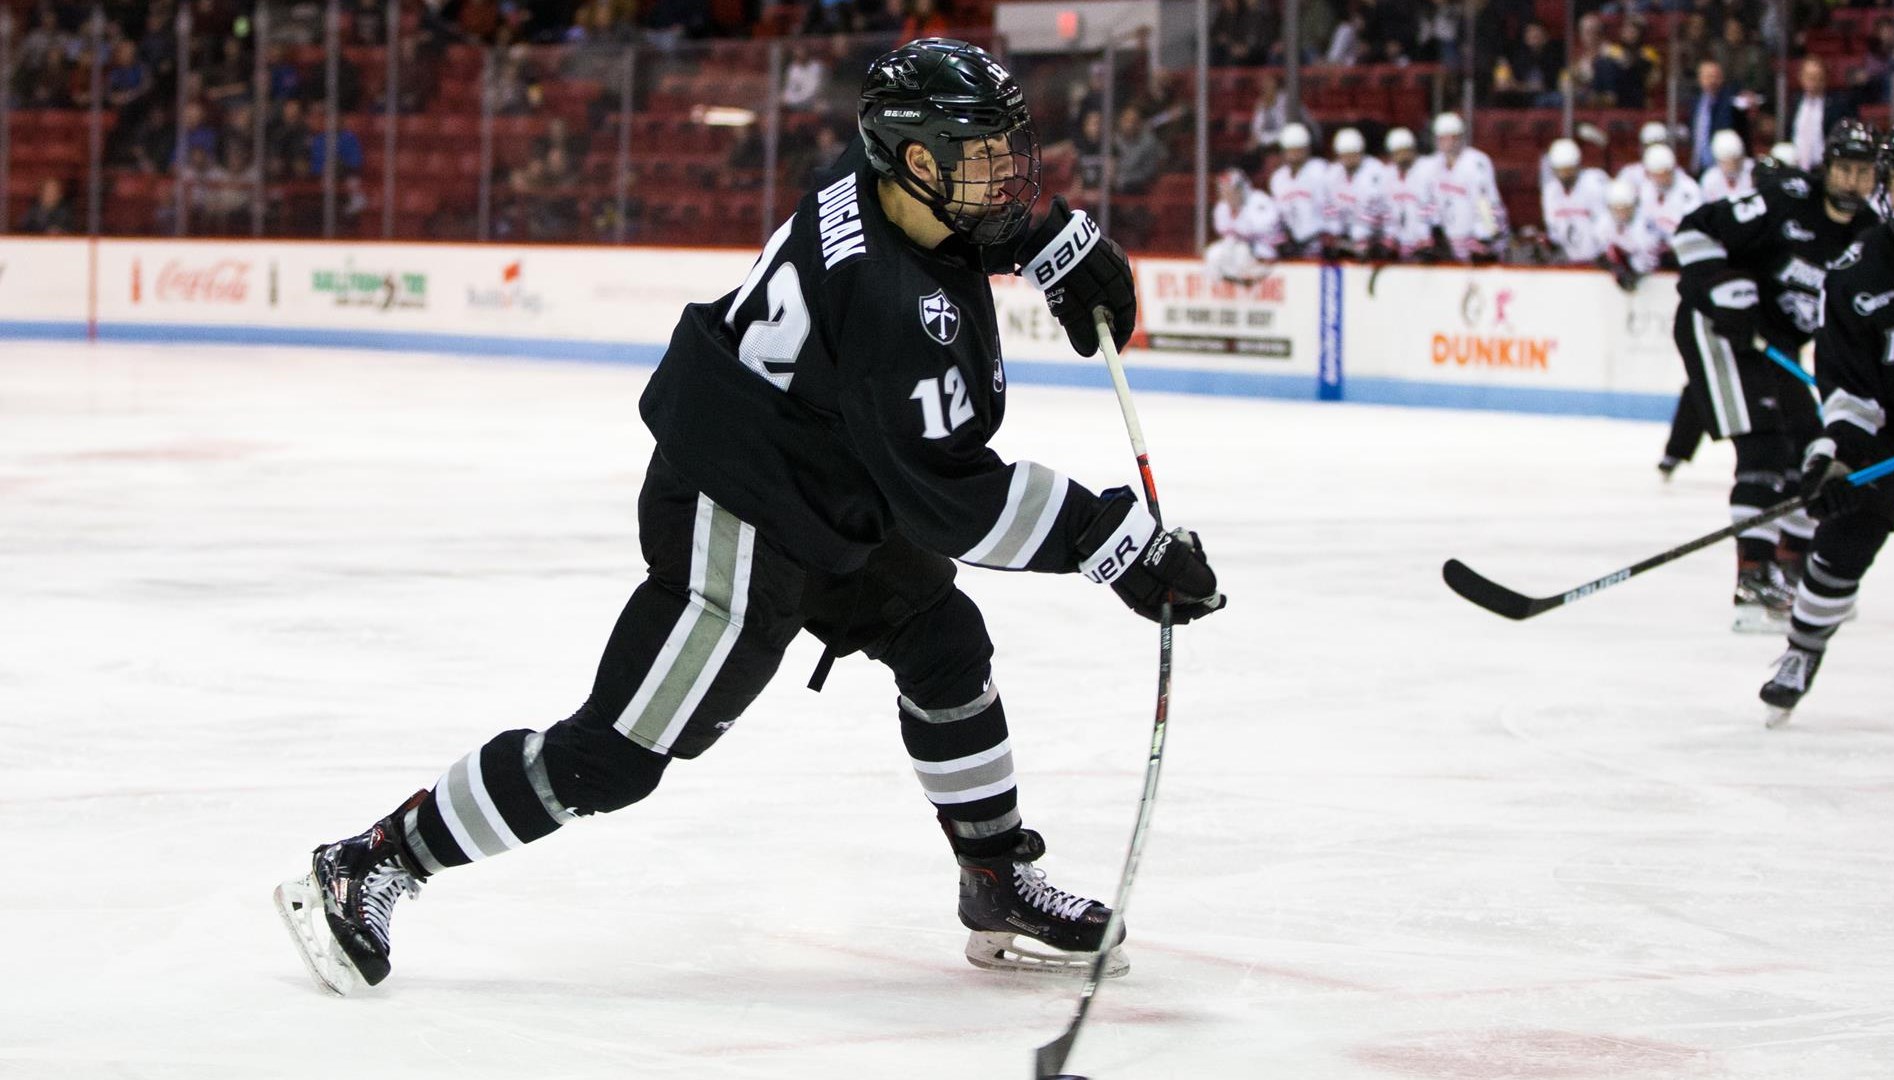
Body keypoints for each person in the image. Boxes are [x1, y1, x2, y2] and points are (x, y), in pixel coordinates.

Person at [273, 37, 1223, 997]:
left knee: (943, 643)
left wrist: (1051, 238)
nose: (1006, 175)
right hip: (741, 504)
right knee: (612, 757)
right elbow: (956, 500)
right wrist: (1118, 544)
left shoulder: (871, 181)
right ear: (915, 159)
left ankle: (995, 878)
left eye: (1005, 150)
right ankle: (378, 858)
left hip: (827, 472)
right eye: (980, 157)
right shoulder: (889, 307)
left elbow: (963, 242)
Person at [1667, 120, 1881, 630]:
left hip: (1775, 344)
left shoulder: (1871, 238)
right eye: (1844, 169)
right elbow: (1695, 228)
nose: (1853, 182)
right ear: (1826, 168)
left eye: (1864, 172)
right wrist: (1720, 285)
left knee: (1812, 448)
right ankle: (1753, 580)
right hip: (1717, 328)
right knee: (1764, 447)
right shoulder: (1786, 201)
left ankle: (1791, 564)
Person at [1760, 121, 1894, 724]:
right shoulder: (1857, 274)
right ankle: (1802, 653)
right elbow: (1850, 389)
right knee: (1842, 543)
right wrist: (1835, 457)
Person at [1415, 111, 1505, 262]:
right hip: (1448, 242)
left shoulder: (1476, 162)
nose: (1447, 142)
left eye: (1452, 137)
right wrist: (1429, 234)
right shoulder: (1431, 165)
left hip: (1475, 242)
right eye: (1442, 138)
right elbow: (1427, 203)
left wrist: (1484, 236)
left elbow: (1486, 202)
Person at [1540, 137, 1610, 263]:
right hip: (1568, 260)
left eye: (1568, 170)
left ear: (1577, 165)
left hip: (1599, 259)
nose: (1565, 175)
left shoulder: (1594, 183)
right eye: (1560, 170)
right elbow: (1553, 227)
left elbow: (1606, 222)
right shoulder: (1551, 191)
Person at [1206, 166, 1281, 283]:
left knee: (1241, 252)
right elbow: (1225, 233)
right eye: (1224, 190)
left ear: (1242, 188)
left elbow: (1263, 229)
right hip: (1237, 250)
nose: (1228, 194)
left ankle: (1245, 283)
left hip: (1263, 251)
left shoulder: (1259, 200)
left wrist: (1241, 228)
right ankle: (1226, 287)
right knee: (1213, 253)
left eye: (1232, 189)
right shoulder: (1221, 208)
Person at [1321, 127, 1385, 258]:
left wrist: (1360, 237)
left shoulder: (1375, 171)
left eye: (1353, 154)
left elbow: (1374, 210)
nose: (1349, 158)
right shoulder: (1333, 173)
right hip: (1346, 234)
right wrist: (1335, 233)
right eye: (1345, 154)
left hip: (1373, 235)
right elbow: (1329, 205)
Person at [1266, 122, 1329, 257]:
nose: (1294, 153)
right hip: (1292, 244)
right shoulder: (1278, 178)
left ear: (1307, 149)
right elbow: (1278, 214)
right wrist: (1282, 238)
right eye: (1291, 149)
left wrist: (1329, 234)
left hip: (1319, 242)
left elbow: (1331, 207)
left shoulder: (1321, 170)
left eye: (1299, 149)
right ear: (1283, 151)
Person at [1787, 58, 1856, 172]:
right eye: (1809, 77)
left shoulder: (1838, 104)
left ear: (1824, 79)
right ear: (1801, 78)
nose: (1813, 81)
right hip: (1797, 167)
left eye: (1817, 77)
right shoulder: (1795, 101)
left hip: (1824, 168)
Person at [1377, 126, 1435, 260]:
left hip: (1425, 245)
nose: (1402, 157)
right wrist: (1389, 240)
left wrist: (1429, 238)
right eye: (1397, 153)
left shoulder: (1427, 170)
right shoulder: (1387, 175)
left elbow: (1434, 208)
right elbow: (1387, 213)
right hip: (1400, 246)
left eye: (1405, 151)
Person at [1698, 128, 1756, 203]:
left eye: (1734, 160)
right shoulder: (1709, 180)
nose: (1730, 166)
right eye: (1725, 162)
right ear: (1718, 161)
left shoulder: (1753, 172)